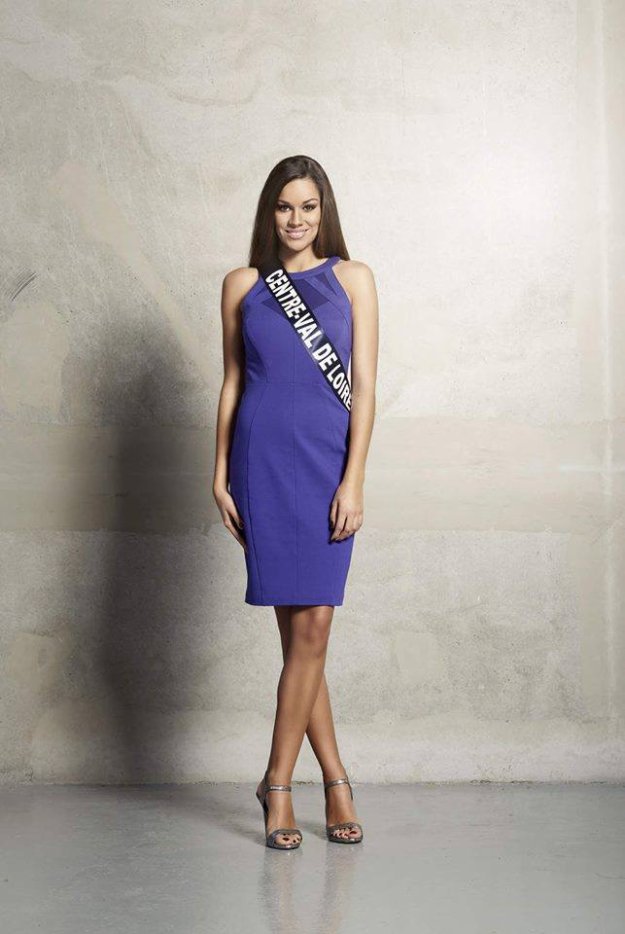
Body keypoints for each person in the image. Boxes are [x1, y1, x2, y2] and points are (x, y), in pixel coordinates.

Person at [213, 154, 379, 849]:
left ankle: (276, 785)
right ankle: (335, 783)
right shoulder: (243, 284)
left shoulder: (353, 279)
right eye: (285, 207)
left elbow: (364, 388)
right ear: (269, 212)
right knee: (299, 642)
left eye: (308, 206)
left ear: (324, 211)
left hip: (324, 467)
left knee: (309, 636)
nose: (296, 219)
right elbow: (232, 381)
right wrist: (218, 472)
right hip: (261, 464)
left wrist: (353, 479)